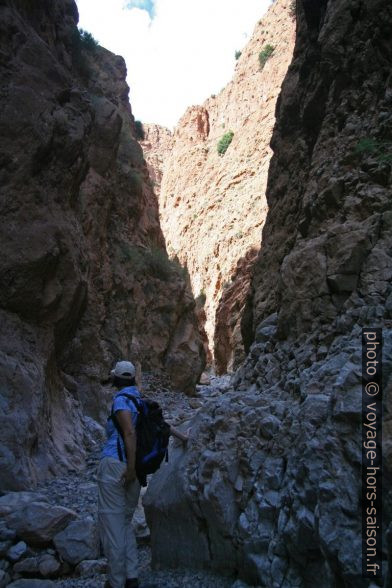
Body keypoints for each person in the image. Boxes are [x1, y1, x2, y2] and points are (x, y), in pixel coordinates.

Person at [97, 360, 187, 588]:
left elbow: (128, 433)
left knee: (112, 524)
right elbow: (162, 426)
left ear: (116, 379)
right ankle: (131, 576)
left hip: (117, 466)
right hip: (135, 470)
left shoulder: (121, 401)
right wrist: (185, 438)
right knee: (126, 522)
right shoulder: (140, 400)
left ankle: (116, 582)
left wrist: (128, 469)